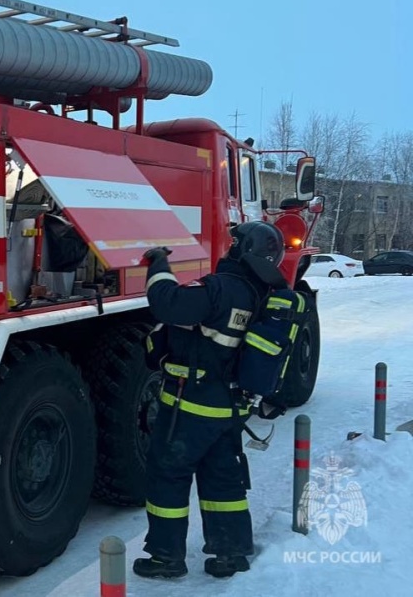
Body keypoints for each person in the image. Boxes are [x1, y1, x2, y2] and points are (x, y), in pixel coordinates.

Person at [133, 220, 287, 580]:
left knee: (168, 477)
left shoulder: (223, 288)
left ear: (242, 250)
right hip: (229, 408)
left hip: (191, 407)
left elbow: (168, 304)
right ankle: (230, 554)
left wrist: (158, 264)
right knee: (223, 482)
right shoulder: (262, 293)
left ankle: (165, 557)